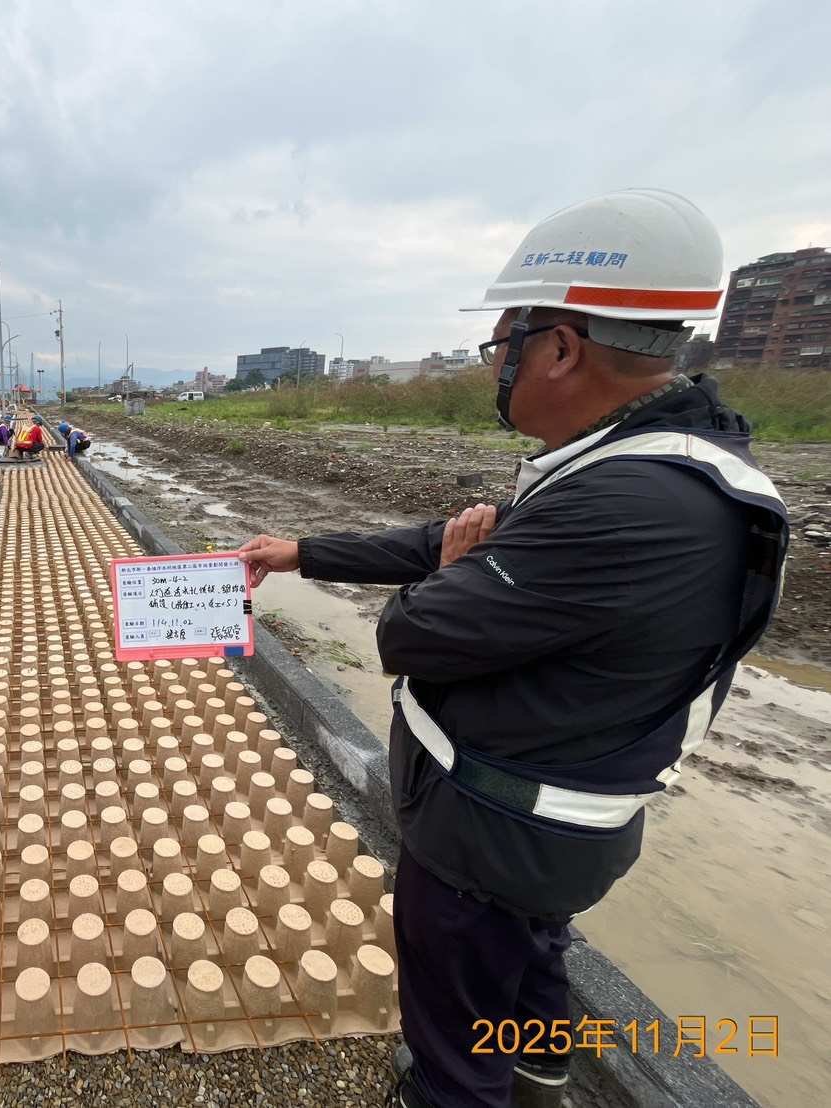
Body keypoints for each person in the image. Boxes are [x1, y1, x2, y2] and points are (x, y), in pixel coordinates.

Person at [237, 189, 787, 1108]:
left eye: (503, 346)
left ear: (561, 347)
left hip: (493, 840)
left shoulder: (625, 506)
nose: (498, 367)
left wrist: (445, 583)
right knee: (533, 954)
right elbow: (473, 537)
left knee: (453, 1033)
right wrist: (301, 553)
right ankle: (534, 1071)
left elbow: (412, 634)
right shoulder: (652, 461)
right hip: (559, 828)